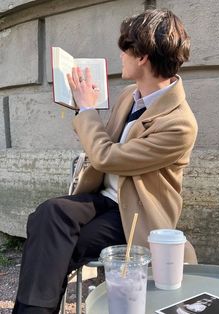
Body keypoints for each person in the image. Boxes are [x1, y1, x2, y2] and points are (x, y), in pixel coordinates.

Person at [13, 8, 198, 313]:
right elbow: (102, 145)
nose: (120, 56)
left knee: (52, 239)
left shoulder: (180, 123)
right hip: (104, 199)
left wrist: (88, 112)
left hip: (135, 215)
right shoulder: (129, 95)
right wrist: (82, 107)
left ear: (142, 56)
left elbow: (107, 156)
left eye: (125, 48)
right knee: (48, 215)